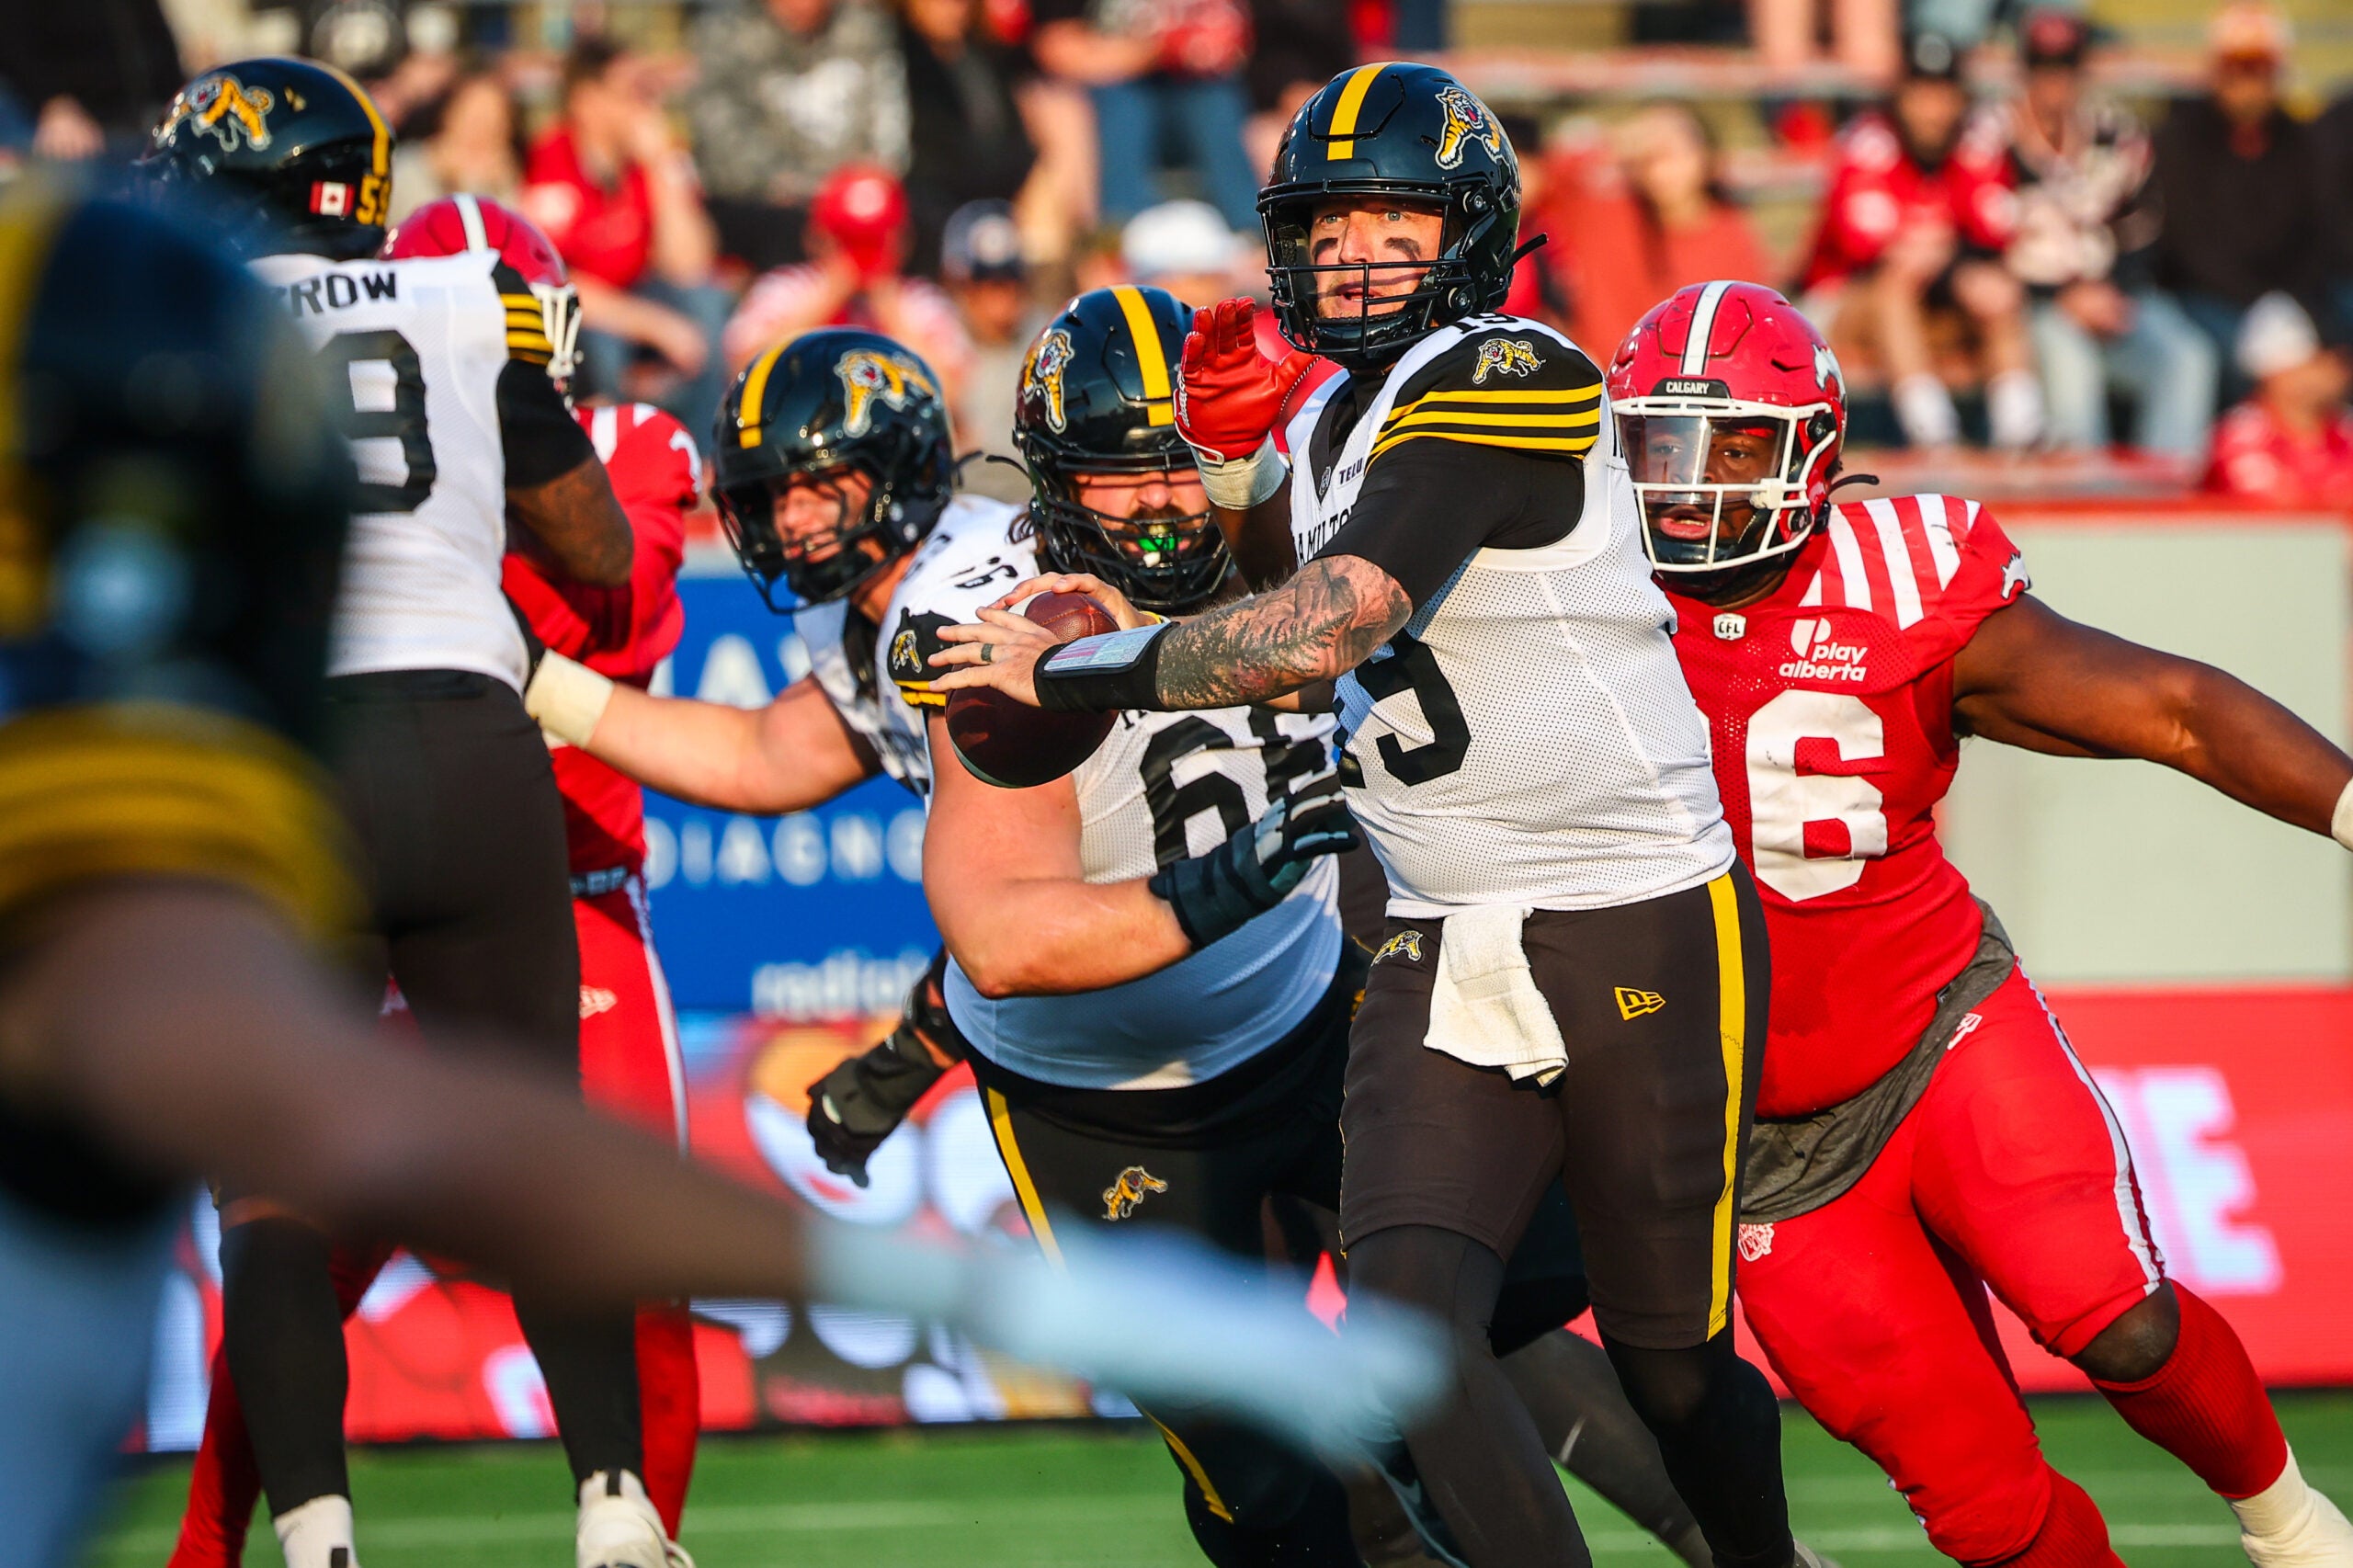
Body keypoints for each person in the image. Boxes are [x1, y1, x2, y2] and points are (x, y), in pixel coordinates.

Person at [0, 181, 1437, 1568]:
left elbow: (1048, 875)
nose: (798, 523)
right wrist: (536, 681)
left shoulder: (979, 598)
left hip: (1260, 965)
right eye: (778, 499)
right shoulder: (898, 615)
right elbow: (767, 764)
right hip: (1155, 994)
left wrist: (906, 1051)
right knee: (1289, 1461)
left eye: (823, 490)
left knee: (1405, 1395)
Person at [523, 301, 1747, 1568]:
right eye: (1124, 467)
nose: (1166, 500)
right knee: (1267, 1485)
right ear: (1058, 483)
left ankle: (1679, 1527)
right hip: (1106, 1095)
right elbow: (998, 927)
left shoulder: (1298, 541)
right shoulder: (985, 625)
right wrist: (1228, 877)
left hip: (1305, 1003)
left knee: (1497, 1295)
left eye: (1188, 457)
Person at [930, 63, 1803, 1568]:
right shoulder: (1338, 410)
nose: (1351, 253)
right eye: (1328, 224)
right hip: (1432, 923)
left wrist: (1070, 665)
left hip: (1624, 900)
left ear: (1465, 227)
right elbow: (1274, 581)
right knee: (1406, 1326)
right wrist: (1232, 470)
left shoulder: (1514, 370)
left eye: (1392, 217)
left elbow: (1327, 627)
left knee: (1668, 1358)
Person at [1608, 278, 2353, 1568]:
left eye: (1730, 445)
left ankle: (2294, 1526)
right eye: (1657, 446)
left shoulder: (1902, 576)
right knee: (1986, 1510)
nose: (1687, 484)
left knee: (2115, 1316)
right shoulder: (1570, 600)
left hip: (1936, 1032)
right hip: (1750, 1141)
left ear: (1812, 449)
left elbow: (2173, 705)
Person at [140, 61, 692, 1568]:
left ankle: (316, 1531)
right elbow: (593, 554)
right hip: (464, 740)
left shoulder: (172, 316)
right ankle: (614, 1508)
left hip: (285, 765)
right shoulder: (460, 298)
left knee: (273, 1183)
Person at [1800, 32, 2040, 451]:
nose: (1933, 110)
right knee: (1897, 284)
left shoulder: (1977, 141)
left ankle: (2021, 430)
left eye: (1944, 96)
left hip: (1933, 305)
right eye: (1921, 95)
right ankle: (1933, 432)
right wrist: (1951, 258)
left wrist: (1951, 263)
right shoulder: (1866, 142)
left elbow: (1995, 235)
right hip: (1841, 308)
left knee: (1997, 288)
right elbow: (1869, 250)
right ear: (1899, 97)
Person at [2004, 8, 2216, 460]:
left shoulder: (2116, 134)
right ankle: (2087, 508)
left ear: (2083, 70)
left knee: (2188, 357)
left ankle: (2167, 500)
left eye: (2066, 67)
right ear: (2023, 69)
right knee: (2070, 363)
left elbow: (2143, 229)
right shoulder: (1991, 139)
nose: (2054, 80)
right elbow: (1981, 243)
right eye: (2042, 67)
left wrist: (2110, 290)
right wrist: (2059, 295)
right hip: (2031, 306)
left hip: (2113, 297)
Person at [522, 37, 731, 438]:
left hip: (642, 289)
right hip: (593, 311)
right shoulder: (553, 159)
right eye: (632, 92)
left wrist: (660, 165)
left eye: (648, 91)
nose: (645, 105)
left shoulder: (654, 160)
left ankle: (706, 454)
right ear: (586, 99)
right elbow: (555, 279)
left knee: (707, 303)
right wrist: (657, 326)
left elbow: (691, 266)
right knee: (599, 343)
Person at [2153, 2, 2340, 407]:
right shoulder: (2179, 139)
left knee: (2332, 349)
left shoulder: (2301, 142)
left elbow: (2317, 236)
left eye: (2258, 68)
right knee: (2251, 364)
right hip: (2206, 297)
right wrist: (2259, 306)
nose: (2246, 82)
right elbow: (2187, 247)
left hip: (2287, 296)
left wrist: (2290, 305)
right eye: (2235, 68)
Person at [688, 0, 911, 275]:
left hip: (856, 189)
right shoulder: (725, 32)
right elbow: (723, 140)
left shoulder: (864, 26)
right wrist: (809, 190)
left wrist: (870, 179)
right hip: (767, 196)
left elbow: (887, 118)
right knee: (789, 231)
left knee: (919, 220)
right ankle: (791, 315)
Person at [722, 164, 973, 402]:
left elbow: (951, 394)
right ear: (816, 237)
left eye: (875, 241)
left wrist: (890, 312)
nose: (860, 257)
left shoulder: (919, 302)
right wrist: (828, 297)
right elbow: (742, 374)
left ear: (902, 241)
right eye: (848, 240)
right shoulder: (787, 289)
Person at [1555, 103, 1770, 363]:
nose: (1661, 166)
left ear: (1706, 159)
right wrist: (1622, 140)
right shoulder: (1610, 212)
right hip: (1603, 380)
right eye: (1652, 154)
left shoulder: (1729, 233)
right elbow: (1552, 172)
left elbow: (1751, 326)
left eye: (1675, 152)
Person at [1029, 0, 1261, 233]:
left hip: (1199, 89)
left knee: (1215, 101)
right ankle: (1121, 239)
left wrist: (1211, 45)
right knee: (1122, 107)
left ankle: (1252, 238)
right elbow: (1057, 47)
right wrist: (1161, 48)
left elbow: (1252, 43)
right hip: (1116, 93)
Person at [896, 0, 1040, 277]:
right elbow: (930, 155)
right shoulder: (901, 61)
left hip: (996, 198)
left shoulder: (983, 58)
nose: (952, 8)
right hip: (935, 209)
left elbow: (1014, 142)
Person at [940, 199, 1048, 504]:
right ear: (959, 283)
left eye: (1009, 279)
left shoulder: (1048, 339)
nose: (1000, 295)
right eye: (985, 281)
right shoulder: (939, 339)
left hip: (1032, 499)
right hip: (964, 503)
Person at [2206, 292, 2353, 506]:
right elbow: (2277, 516)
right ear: (2273, 374)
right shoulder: (2240, 435)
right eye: (2315, 360)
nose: (2330, 370)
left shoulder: (2344, 428)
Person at [388, 68, 524, 224]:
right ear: (449, 116)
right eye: (473, 119)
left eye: (493, 122)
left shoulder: (511, 177)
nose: (482, 130)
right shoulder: (408, 166)